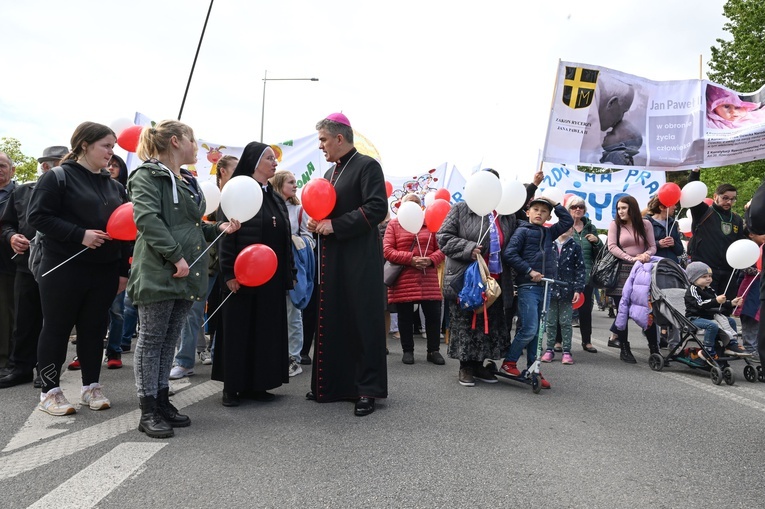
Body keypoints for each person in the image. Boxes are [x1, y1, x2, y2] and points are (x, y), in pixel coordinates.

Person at [127, 120, 239, 437]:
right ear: (176, 141)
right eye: (192, 139)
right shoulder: (147, 174)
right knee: (151, 341)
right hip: (161, 270)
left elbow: (188, 225)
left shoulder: (187, 179)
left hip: (185, 272)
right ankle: (148, 410)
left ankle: (161, 400)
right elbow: (147, 219)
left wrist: (215, 229)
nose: (196, 146)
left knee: (167, 342)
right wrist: (176, 256)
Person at [27, 122, 129, 416]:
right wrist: (80, 234)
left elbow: (124, 232)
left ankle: (90, 386)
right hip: (62, 267)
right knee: (57, 328)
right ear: (85, 144)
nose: (111, 153)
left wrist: (123, 270)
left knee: (95, 329)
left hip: (104, 270)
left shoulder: (115, 186)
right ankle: (49, 391)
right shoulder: (58, 177)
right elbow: (38, 217)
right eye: (106, 146)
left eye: (113, 146)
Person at [305, 113, 388, 417]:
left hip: (360, 258)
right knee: (334, 316)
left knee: (361, 320)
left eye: (324, 140)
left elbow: (377, 207)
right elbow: (323, 209)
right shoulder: (329, 175)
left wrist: (334, 225)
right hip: (333, 258)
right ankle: (332, 385)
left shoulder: (367, 166)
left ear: (339, 138)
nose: (321, 146)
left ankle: (366, 389)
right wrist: (318, 223)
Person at [212, 142, 291, 408]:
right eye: (269, 158)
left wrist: (286, 275)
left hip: (270, 279)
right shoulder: (237, 191)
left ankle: (259, 384)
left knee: (264, 330)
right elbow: (226, 237)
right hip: (240, 278)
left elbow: (283, 239)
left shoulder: (275, 198)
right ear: (254, 162)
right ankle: (232, 387)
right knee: (238, 330)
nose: (275, 163)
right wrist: (228, 273)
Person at [437, 171, 516, 387]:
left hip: (495, 281)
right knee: (466, 323)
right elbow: (442, 238)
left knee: (488, 324)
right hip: (467, 279)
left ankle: (480, 364)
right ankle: (466, 366)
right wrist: (469, 248)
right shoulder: (462, 209)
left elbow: (513, 245)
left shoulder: (506, 214)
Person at [0, 146, 67, 388]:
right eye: (53, 164)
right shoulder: (21, 191)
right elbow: (7, 223)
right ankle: (21, 369)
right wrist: (11, 237)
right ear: (45, 167)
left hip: (59, 265)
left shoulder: (72, 191)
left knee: (53, 321)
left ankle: (46, 369)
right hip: (25, 265)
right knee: (24, 320)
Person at [499, 196, 573, 388]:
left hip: (545, 287)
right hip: (528, 286)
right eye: (536, 209)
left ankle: (534, 368)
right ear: (528, 212)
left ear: (549, 215)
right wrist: (529, 271)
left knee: (539, 331)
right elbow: (509, 254)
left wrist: (556, 204)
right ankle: (509, 363)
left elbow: (568, 221)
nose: (539, 213)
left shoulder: (549, 233)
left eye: (544, 211)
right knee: (530, 328)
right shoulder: (521, 231)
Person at [383, 193, 446, 365]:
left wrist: (431, 259)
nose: (414, 205)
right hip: (404, 278)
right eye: (409, 202)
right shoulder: (394, 224)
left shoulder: (430, 223)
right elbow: (387, 250)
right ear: (401, 205)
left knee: (433, 315)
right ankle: (407, 350)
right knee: (405, 317)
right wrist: (410, 259)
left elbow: (442, 248)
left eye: (417, 202)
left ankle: (433, 351)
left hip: (428, 278)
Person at [270, 168, 314, 377]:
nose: (295, 185)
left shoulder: (299, 210)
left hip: (292, 266)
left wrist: (300, 241)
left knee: (293, 313)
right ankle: (275, 356)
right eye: (290, 182)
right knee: (273, 313)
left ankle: (294, 358)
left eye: (296, 182)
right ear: (278, 184)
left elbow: (310, 239)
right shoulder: (267, 205)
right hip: (269, 266)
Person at [605, 195, 656, 363]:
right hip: (622, 270)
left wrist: (645, 255)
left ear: (632, 208)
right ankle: (624, 348)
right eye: (618, 208)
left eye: (623, 208)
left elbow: (652, 246)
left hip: (642, 270)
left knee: (647, 308)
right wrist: (629, 258)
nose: (620, 211)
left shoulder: (646, 224)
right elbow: (611, 246)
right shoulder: (615, 225)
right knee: (622, 311)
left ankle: (654, 350)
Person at [687, 169, 746, 300]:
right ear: (715, 197)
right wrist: (695, 173)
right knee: (706, 306)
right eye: (725, 198)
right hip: (705, 271)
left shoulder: (736, 219)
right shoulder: (703, 212)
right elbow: (693, 192)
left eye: (732, 199)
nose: (729, 202)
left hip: (728, 271)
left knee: (725, 308)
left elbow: (740, 243)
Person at [684, 261, 748, 361]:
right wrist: (715, 300)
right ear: (694, 278)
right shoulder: (693, 289)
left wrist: (731, 303)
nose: (708, 278)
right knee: (712, 325)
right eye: (704, 276)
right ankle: (708, 350)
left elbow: (718, 302)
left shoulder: (709, 289)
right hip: (695, 317)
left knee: (730, 321)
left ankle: (731, 343)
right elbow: (700, 304)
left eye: (710, 276)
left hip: (709, 316)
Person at [541, 226, 585, 364]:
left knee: (566, 322)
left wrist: (578, 289)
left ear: (572, 230)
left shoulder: (575, 247)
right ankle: (549, 349)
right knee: (551, 322)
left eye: (569, 227)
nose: (565, 229)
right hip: (551, 289)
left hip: (567, 290)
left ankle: (567, 351)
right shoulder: (549, 245)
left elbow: (580, 269)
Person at [566, 196, 602, 353]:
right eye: (574, 207)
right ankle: (559, 341)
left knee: (585, 310)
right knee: (564, 309)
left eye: (580, 206)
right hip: (566, 275)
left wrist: (597, 241)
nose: (577, 209)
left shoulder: (590, 228)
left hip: (586, 275)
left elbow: (600, 253)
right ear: (569, 210)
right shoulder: (564, 226)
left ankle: (586, 341)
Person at [104, 155, 129, 369]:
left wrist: (125, 271)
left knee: (117, 310)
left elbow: (127, 236)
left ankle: (115, 350)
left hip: (116, 260)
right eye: (109, 164)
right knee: (90, 313)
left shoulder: (123, 194)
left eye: (115, 165)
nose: (111, 168)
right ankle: (85, 353)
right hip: (92, 260)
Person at [0, 152, 17, 371]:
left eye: (3, 165)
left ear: (12, 170)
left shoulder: (19, 193)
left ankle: (7, 359)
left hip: (9, 262)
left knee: (8, 314)